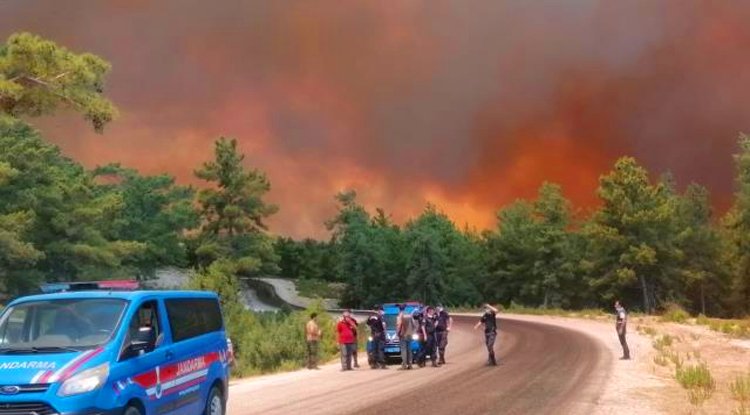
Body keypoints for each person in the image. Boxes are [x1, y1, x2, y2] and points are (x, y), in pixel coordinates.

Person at [396, 304, 415, 370]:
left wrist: (398, 333)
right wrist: (411, 332)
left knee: (403, 350)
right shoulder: (409, 315)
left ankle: (404, 365)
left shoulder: (400, 316)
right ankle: (410, 364)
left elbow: (399, 325)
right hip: (409, 334)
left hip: (403, 335)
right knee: (409, 350)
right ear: (405, 309)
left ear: (399, 309)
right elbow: (414, 325)